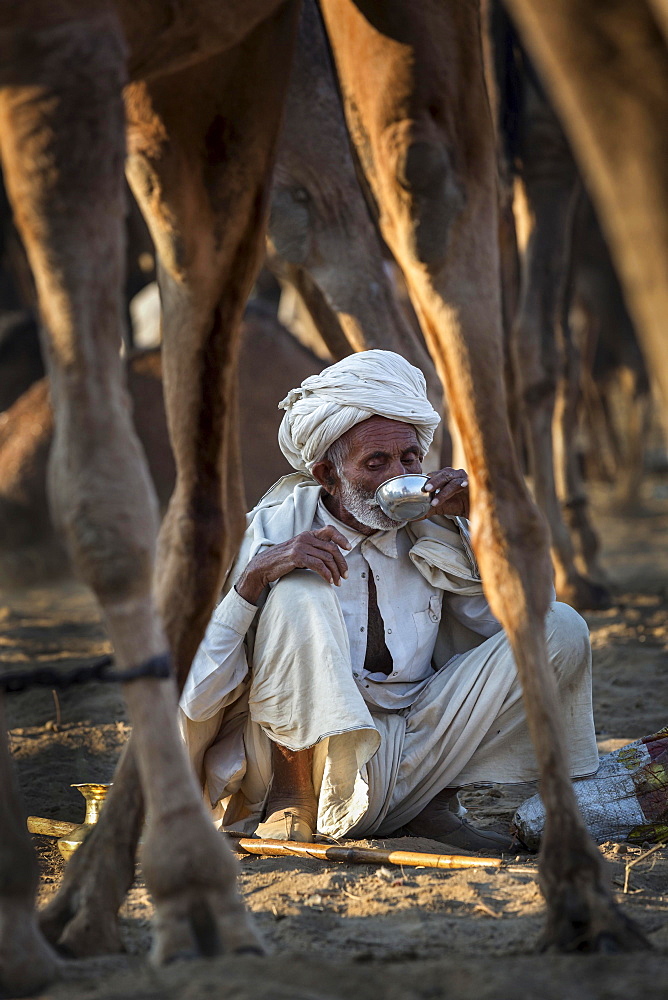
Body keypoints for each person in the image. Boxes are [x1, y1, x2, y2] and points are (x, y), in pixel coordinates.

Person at [179, 350, 598, 851]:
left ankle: (432, 809)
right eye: (375, 462)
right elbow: (199, 694)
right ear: (327, 476)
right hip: (310, 765)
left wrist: (486, 521)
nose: (397, 476)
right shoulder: (274, 529)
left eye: (409, 459)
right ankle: (291, 803)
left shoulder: (437, 525)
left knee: (560, 626)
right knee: (299, 590)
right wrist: (253, 582)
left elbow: (507, 624)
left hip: (414, 750)